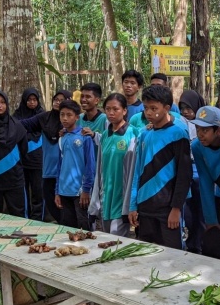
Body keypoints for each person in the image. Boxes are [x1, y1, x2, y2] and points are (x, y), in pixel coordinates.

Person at [129, 85, 192, 249]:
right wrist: (133, 205)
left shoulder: (178, 134)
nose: (148, 112)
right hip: (145, 207)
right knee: (146, 253)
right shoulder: (144, 134)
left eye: (154, 108)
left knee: (172, 256)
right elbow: (137, 172)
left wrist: (176, 208)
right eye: (146, 108)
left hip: (167, 209)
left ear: (167, 108)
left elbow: (184, 175)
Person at [89, 93, 140, 236]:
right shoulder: (105, 135)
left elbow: (134, 172)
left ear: (124, 111)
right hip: (106, 195)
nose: (111, 113)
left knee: (116, 237)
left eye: (115, 109)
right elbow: (99, 167)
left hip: (122, 196)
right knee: (106, 236)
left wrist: (131, 203)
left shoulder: (133, 134)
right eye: (108, 109)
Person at [20, 90, 72, 223]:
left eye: (61, 100)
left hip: (67, 174)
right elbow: (22, 125)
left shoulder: (73, 122)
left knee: (67, 209)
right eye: (56, 99)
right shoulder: (44, 118)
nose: (57, 102)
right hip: (48, 172)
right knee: (51, 205)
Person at [191, 106, 220, 260]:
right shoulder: (197, 147)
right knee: (213, 246)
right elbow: (205, 180)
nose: (200, 134)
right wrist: (210, 220)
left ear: (218, 131)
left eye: (205, 130)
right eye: (197, 129)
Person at [55, 100, 96, 229]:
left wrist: (86, 190)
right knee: (68, 227)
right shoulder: (62, 137)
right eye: (62, 115)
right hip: (64, 190)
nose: (65, 118)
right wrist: (57, 191)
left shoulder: (85, 137)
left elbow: (90, 165)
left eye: (69, 115)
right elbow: (59, 166)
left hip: (79, 192)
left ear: (77, 117)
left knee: (84, 227)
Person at [178, 90, 204, 253]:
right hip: (185, 169)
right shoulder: (179, 122)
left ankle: (198, 243)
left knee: (200, 209)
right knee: (187, 211)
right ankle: (188, 239)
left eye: (188, 108)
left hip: (200, 171)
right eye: (182, 108)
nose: (185, 111)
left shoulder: (204, 122)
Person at [13, 88, 45, 220]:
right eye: (29, 100)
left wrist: (27, 135)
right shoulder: (17, 115)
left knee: (38, 191)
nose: (32, 102)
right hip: (22, 160)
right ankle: (25, 216)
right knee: (23, 191)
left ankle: (38, 218)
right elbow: (15, 131)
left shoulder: (43, 115)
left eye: (34, 100)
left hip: (38, 161)